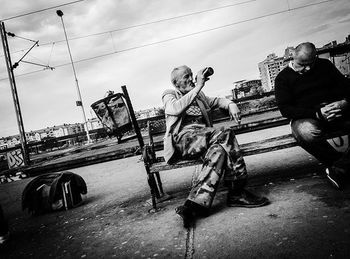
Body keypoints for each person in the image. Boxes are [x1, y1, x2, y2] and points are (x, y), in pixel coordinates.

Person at [162, 65, 269, 228]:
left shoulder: (200, 96)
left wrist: (231, 104)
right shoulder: (170, 94)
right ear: (176, 83)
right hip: (184, 140)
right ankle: (237, 190)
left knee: (218, 152)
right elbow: (174, 109)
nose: (191, 78)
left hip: (204, 138)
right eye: (187, 76)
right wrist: (198, 86)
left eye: (192, 75)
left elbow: (218, 100)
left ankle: (194, 206)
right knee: (225, 132)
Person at [275, 42, 350, 189]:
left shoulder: (325, 66)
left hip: (337, 111)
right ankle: (341, 166)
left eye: (311, 63)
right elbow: (286, 109)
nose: (307, 68)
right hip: (307, 117)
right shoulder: (283, 78)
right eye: (302, 64)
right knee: (306, 132)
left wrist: (344, 103)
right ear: (293, 57)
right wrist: (317, 113)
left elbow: (346, 87)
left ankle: (340, 168)